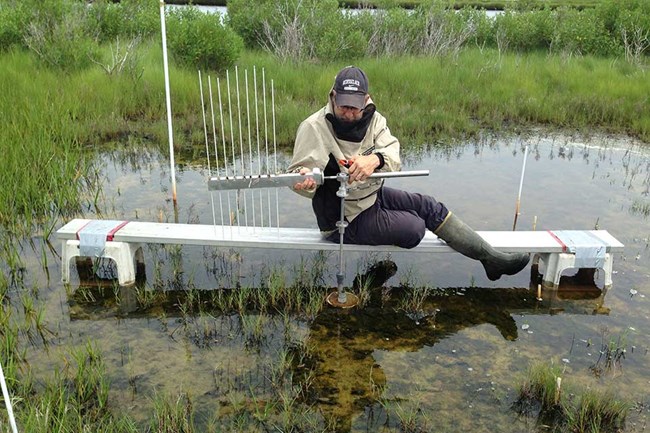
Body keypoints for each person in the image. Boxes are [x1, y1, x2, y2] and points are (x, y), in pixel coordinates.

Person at [289, 66, 529, 281]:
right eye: (344, 106)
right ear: (333, 96)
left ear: (367, 100)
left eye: (355, 108)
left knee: (430, 207)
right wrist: (305, 179)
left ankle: (491, 260)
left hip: (371, 197)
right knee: (414, 228)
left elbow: (394, 156)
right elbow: (298, 175)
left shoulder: (375, 120)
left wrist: (375, 159)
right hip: (342, 217)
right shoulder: (314, 127)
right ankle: (367, 282)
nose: (349, 113)